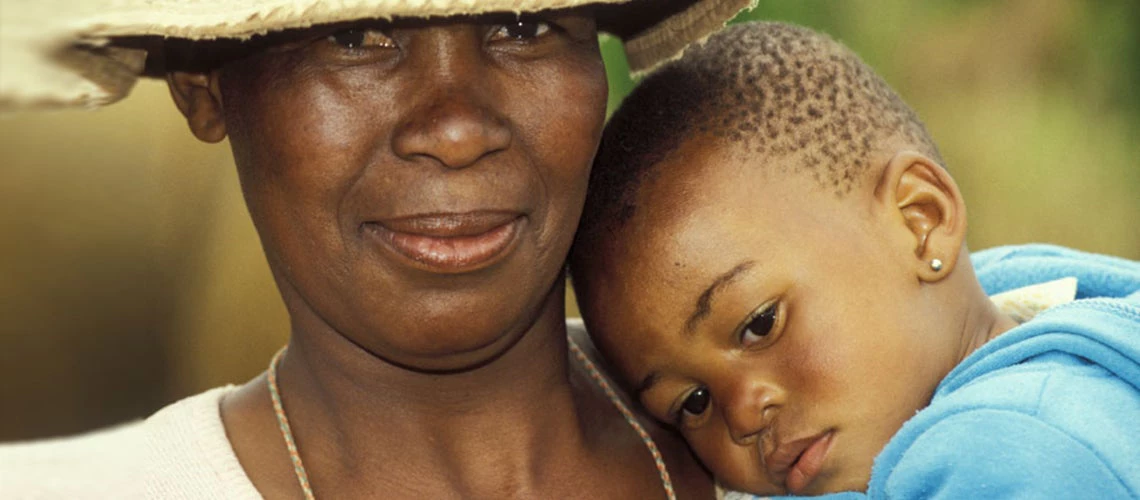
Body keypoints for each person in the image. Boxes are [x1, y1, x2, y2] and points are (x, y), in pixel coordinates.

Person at [0, 0, 755, 498]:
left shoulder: (801, 432)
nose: (457, 130)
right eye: (355, 37)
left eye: (525, 25)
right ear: (202, 84)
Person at [569, 21, 1140, 498]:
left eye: (759, 324)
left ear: (922, 223)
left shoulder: (1011, 457)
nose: (743, 416)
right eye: (692, 404)